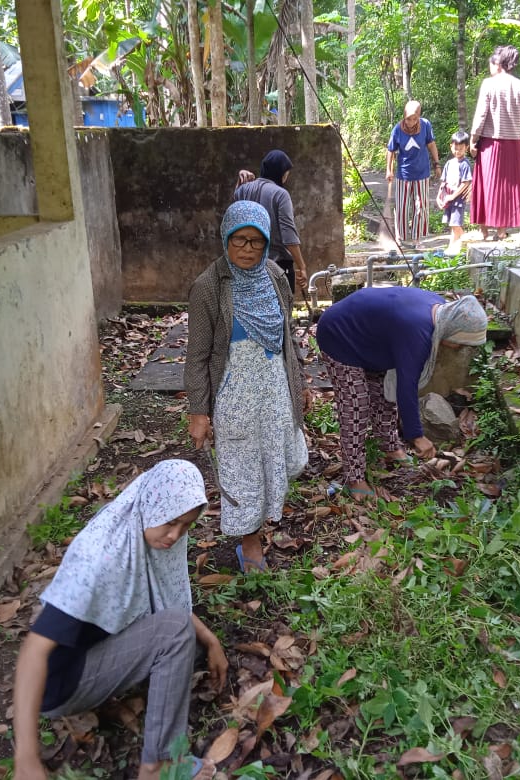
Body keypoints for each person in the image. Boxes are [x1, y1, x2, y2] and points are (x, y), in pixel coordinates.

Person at [12, 459, 226, 780]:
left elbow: (163, 594)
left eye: (186, 526)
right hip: (62, 684)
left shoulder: (139, 521)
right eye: (171, 522)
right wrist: (26, 758)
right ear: (154, 505)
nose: (175, 535)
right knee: (175, 632)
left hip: (87, 654)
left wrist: (210, 640)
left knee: (187, 639)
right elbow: (33, 650)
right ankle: (158, 767)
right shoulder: (101, 560)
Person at [185, 200, 309, 572]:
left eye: (257, 241)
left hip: (273, 388)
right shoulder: (208, 287)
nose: (247, 249)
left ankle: (266, 519)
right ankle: (250, 542)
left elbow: (287, 336)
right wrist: (198, 412)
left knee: (275, 459)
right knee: (242, 468)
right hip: (234, 394)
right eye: (239, 240)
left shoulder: (274, 275)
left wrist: (299, 383)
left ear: (267, 242)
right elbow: (197, 356)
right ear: (226, 238)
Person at [315, 288, 487, 501]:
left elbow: (396, 387)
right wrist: (417, 436)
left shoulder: (444, 311)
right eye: (460, 342)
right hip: (338, 334)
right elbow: (406, 386)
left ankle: (389, 447)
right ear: (452, 329)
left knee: (383, 395)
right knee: (356, 407)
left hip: (371, 338)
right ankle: (354, 478)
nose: (458, 347)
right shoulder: (418, 331)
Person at [469, 45, 520, 245]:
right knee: (508, 187)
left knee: (487, 184)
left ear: (497, 64)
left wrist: (473, 139)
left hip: (490, 143)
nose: (490, 68)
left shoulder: (489, 84)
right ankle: (501, 231)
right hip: (514, 143)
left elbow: (481, 115)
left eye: (491, 64)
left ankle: (483, 231)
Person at [233, 150, 308, 296]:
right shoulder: (280, 194)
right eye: (286, 172)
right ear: (281, 172)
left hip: (247, 264)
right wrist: (302, 266)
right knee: (281, 307)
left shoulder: (244, 190)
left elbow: (236, 206)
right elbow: (288, 235)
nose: (286, 177)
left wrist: (241, 179)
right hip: (277, 266)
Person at [386, 100, 441, 247]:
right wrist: (389, 170)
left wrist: (437, 164)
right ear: (404, 116)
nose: (411, 122)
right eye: (408, 119)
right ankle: (400, 237)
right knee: (402, 207)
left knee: (420, 207)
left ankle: (417, 239)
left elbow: (431, 144)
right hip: (404, 174)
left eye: (414, 119)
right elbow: (390, 150)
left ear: (419, 116)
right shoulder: (398, 129)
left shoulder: (425, 125)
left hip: (422, 173)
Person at [436, 130, 474, 255]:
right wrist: (439, 196)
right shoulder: (449, 163)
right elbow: (443, 182)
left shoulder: (465, 164)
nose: (457, 151)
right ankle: (452, 247)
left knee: (455, 223)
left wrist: (453, 196)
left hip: (458, 199)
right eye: (455, 148)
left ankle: (466, 242)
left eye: (461, 149)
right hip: (448, 197)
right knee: (451, 224)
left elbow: (466, 182)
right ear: (451, 146)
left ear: (466, 148)